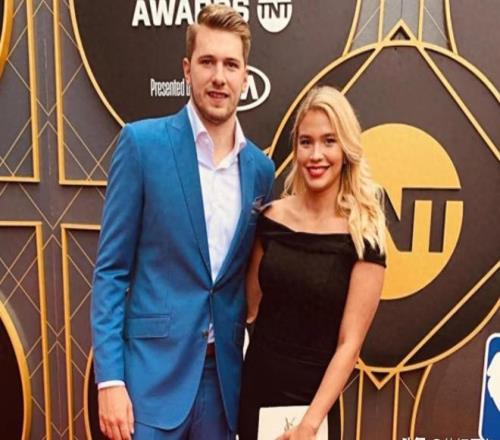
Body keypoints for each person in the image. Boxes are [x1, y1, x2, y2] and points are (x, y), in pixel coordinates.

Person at [91, 5, 275, 440]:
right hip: (149, 382)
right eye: (208, 62)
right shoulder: (142, 145)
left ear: (245, 77)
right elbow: (111, 271)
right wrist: (110, 381)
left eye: (231, 65)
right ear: (187, 69)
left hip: (222, 383)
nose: (219, 77)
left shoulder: (260, 170)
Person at [238, 86, 386, 440]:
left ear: (345, 149)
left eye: (329, 141)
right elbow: (247, 309)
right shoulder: (270, 219)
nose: (316, 154)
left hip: (313, 409)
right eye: (306, 142)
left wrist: (309, 423)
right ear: (296, 148)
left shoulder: (364, 235)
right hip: (256, 391)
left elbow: (350, 344)